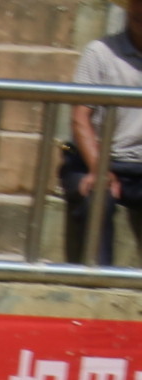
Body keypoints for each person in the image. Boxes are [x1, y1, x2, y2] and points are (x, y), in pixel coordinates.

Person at [62, 13, 142, 264]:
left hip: (138, 166)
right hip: (91, 159)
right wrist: (99, 168)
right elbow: (80, 117)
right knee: (97, 199)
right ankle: (99, 284)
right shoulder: (100, 53)